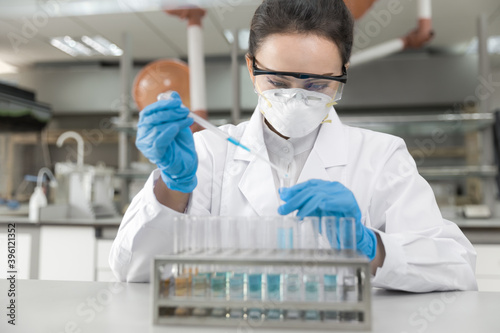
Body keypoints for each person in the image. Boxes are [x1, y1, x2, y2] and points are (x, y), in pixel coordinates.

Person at [109, 0, 477, 292]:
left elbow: (456, 267)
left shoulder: (380, 157)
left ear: (342, 73)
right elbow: (132, 271)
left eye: (318, 85)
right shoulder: (207, 152)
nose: (296, 98)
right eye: (278, 82)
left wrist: (372, 246)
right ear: (252, 69)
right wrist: (172, 186)